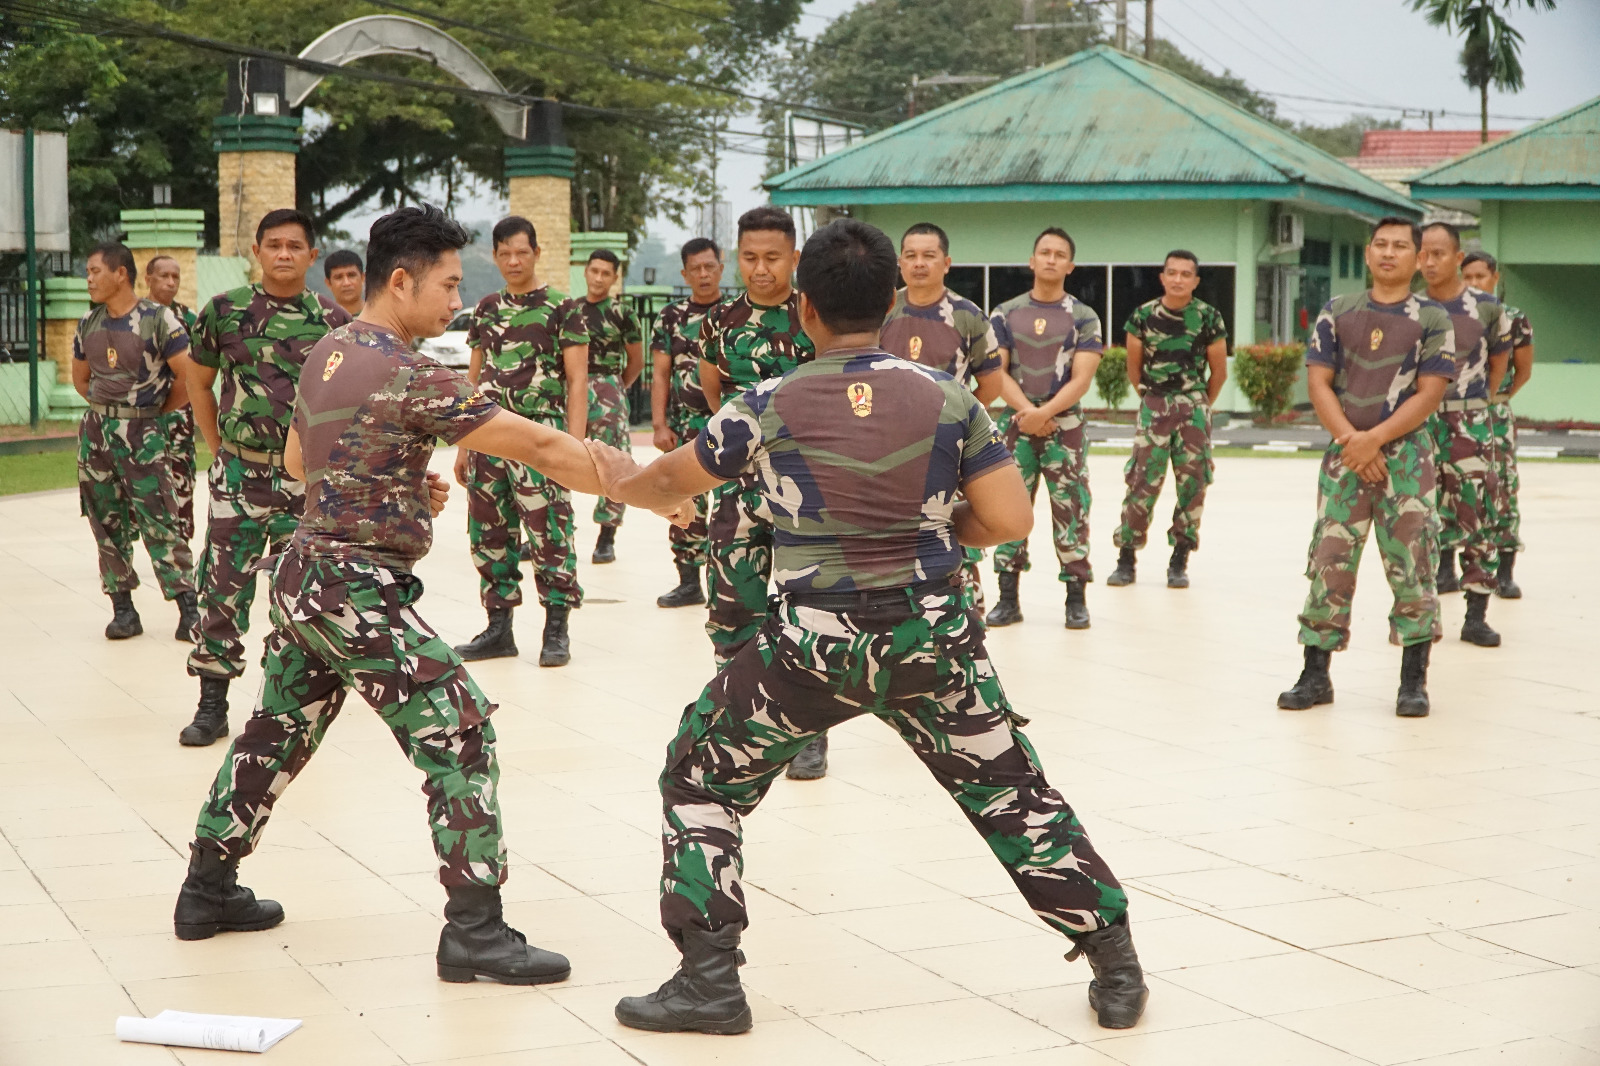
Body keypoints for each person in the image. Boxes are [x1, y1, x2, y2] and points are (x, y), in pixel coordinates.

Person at [588, 218, 1146, 1037]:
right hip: (935, 644)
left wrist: (615, 477)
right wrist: (925, 530)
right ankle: (1117, 966)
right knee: (1013, 794)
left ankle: (709, 981)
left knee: (700, 775)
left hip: (813, 650)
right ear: (890, 303)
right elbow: (1011, 518)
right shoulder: (949, 396)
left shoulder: (765, 405)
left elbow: (666, 480)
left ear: (804, 308)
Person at [172, 204, 690, 984]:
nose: (457, 304)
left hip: (304, 577)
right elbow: (544, 446)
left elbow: (294, 461)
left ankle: (205, 890)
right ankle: (475, 929)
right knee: (461, 729)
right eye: (448, 286)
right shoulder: (409, 371)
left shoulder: (329, 349)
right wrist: (652, 489)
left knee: (274, 735)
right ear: (403, 280)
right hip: (350, 587)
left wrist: (395, 486)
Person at [177, 209, 352, 748]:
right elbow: (198, 382)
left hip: (308, 481)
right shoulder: (224, 312)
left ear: (311, 255)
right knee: (223, 586)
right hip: (239, 474)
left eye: (294, 246)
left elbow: (348, 399)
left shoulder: (332, 320)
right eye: (273, 244)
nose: (283, 253)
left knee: (308, 587)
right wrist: (218, 446)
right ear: (257, 252)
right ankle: (212, 703)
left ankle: (297, 700)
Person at [1278, 216, 1456, 718]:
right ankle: (1315, 676)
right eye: (1380, 244)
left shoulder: (1432, 319)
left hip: (1406, 459)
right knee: (1329, 561)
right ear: (1368, 251)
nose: (1389, 253)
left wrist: (1374, 440)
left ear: (1418, 258)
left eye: (1401, 246)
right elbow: (1319, 383)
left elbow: (1430, 393)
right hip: (1345, 456)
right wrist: (1349, 441)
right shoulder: (1338, 312)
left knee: (1413, 563)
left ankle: (1413, 682)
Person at [693, 206, 826, 780]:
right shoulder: (720, 319)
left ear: (794, 259)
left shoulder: (815, 317)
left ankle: (811, 732)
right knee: (732, 603)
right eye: (750, 257)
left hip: (807, 485)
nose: (761, 269)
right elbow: (711, 391)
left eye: (773, 258)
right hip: (736, 488)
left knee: (814, 609)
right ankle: (740, 716)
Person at [452, 216, 580, 668]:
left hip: (542, 437)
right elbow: (473, 377)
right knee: (488, 531)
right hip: (489, 433)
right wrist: (464, 442)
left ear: (537, 253)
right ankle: (498, 627)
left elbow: (577, 380)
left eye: (521, 252)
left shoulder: (562, 307)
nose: (512, 261)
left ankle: (556, 627)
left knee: (549, 533)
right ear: (494, 255)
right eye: (504, 253)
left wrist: (576, 447)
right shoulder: (485, 308)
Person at [72, 242, 198, 641]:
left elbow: (188, 378)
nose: (89, 279)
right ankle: (123, 610)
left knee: (161, 518)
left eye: (95, 271)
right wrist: (106, 413)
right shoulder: (87, 324)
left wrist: (154, 412)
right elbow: (81, 380)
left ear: (120, 274)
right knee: (106, 522)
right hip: (97, 438)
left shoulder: (158, 320)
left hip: (144, 435)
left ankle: (188, 609)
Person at [984, 228, 1104, 631]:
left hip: (1064, 427)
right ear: (1031, 261)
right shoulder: (1004, 313)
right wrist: (1027, 413)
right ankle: (1008, 597)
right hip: (1015, 426)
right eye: (1044, 252)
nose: (1051, 259)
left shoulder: (1084, 317)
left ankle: (1076, 597)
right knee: (1007, 507)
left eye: (1060, 254)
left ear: (1070, 266)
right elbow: (996, 371)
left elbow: (1082, 378)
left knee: (1071, 508)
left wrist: (1046, 412)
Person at [879, 221, 1002, 612]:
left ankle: (968, 619)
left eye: (929, 256)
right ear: (899, 262)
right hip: (884, 452)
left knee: (953, 538)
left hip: (948, 454)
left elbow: (992, 384)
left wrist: (958, 425)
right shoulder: (881, 310)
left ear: (946, 262)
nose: (919, 264)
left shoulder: (969, 317)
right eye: (911, 256)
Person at [1107, 250, 1229, 590]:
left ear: (1195, 281)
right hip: (1155, 406)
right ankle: (1126, 557)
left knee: (1194, 483)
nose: (1178, 279)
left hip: (1193, 409)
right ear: (1162, 277)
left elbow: (1219, 372)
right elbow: (1134, 368)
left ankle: (1180, 559)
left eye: (1185, 274)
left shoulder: (1208, 317)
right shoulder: (1143, 315)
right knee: (1142, 482)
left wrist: (1199, 403)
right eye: (1172, 273)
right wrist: (1152, 400)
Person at [1418, 222, 1511, 648]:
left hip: (1469, 422)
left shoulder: (1487, 308)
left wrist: (1480, 406)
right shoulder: (1407, 307)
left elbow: (1500, 362)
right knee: (1414, 517)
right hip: (1416, 422)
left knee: (1478, 514)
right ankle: (1416, 616)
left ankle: (1476, 615)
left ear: (1458, 258)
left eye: (1439, 253)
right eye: (1423, 253)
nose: (1429, 261)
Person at [649, 237, 726, 609]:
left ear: (721, 268)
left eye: (709, 266)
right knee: (683, 504)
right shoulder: (671, 317)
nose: (703, 274)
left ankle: (730, 580)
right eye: (695, 268)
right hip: (683, 428)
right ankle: (688, 581)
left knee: (730, 505)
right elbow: (660, 375)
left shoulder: (733, 313)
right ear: (684, 273)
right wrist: (660, 424)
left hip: (729, 427)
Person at [559, 249, 643, 565]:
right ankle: (552, 527)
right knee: (558, 453)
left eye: (605, 273)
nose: (598, 278)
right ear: (585, 271)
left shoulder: (623, 313)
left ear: (614, 277)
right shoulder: (570, 309)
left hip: (608, 388)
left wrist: (614, 386)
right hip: (571, 388)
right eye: (593, 270)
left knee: (613, 460)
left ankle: (606, 537)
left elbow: (636, 361)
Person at [1461, 252, 1533, 599]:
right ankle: (1447, 569)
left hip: (1494, 415)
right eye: (1468, 277)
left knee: (1501, 488)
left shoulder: (1513, 318)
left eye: (1480, 276)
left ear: (1496, 277)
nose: (1474, 284)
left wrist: (1497, 398)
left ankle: (1504, 572)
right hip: (1454, 416)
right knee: (1449, 490)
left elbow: (1523, 371)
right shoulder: (1449, 316)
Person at [145, 255, 199, 548]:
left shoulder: (189, 320)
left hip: (179, 422)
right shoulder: (135, 317)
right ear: (148, 278)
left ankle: (181, 548)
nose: (170, 282)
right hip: (140, 421)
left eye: (175, 277)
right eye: (164, 276)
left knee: (182, 484)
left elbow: (199, 372)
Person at [323, 249, 366, 317]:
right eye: (338, 277)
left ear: (363, 278)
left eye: (351, 275)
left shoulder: (383, 317)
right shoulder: (319, 322)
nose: (346, 283)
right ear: (328, 283)